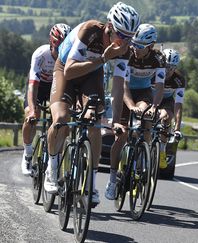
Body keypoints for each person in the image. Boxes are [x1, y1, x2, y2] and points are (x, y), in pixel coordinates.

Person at [44, 2, 140, 206]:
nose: (125, 42)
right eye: (122, 36)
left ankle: (91, 185)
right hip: (66, 70)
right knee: (61, 118)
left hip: (91, 73)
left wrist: (114, 121)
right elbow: (69, 71)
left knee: (95, 122)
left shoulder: (124, 49)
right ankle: (51, 170)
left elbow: (118, 86)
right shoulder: (90, 31)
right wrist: (104, 58)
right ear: (109, 27)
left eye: (130, 38)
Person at [105, 23, 165, 200]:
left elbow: (160, 87)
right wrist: (130, 106)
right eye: (134, 43)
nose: (135, 48)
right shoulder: (127, 53)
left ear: (151, 46)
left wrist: (154, 106)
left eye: (140, 46)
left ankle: (143, 158)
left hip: (144, 92)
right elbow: (123, 85)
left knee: (146, 116)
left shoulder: (159, 59)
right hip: (124, 92)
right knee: (121, 135)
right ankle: (112, 180)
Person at [21, 23, 71, 176]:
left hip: (56, 86)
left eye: (63, 50)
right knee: (32, 115)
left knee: (61, 123)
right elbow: (32, 86)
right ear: (51, 43)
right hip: (39, 86)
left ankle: (53, 161)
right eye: (57, 49)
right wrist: (32, 108)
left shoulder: (69, 57)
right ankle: (28, 154)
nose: (59, 54)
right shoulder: (40, 54)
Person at [157, 48, 186, 167]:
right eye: (166, 66)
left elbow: (178, 104)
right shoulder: (154, 72)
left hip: (167, 101)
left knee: (167, 118)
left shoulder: (179, 80)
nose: (168, 71)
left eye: (172, 68)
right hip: (150, 97)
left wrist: (177, 127)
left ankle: (162, 151)